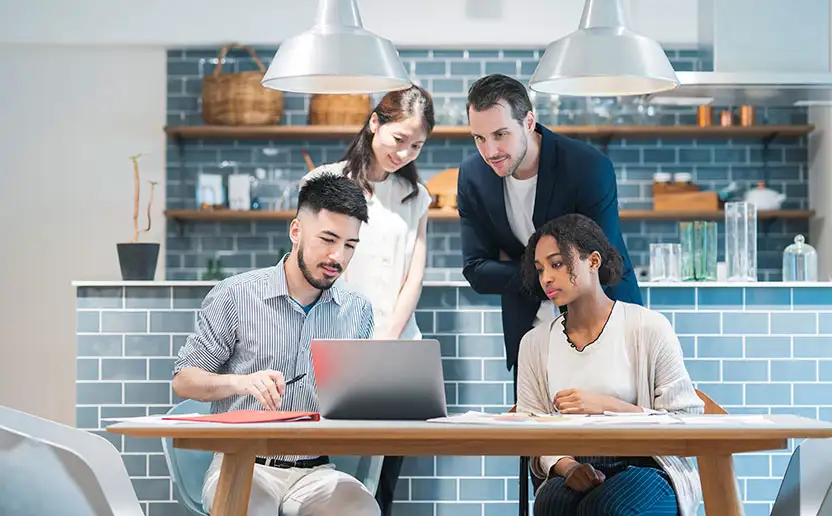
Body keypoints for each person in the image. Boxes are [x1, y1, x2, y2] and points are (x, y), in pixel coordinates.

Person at [171, 173, 380, 516]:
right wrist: (241, 382)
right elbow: (184, 380)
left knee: (360, 510)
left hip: (316, 472)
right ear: (296, 231)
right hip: (240, 464)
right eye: (328, 239)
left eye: (349, 245)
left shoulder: (358, 311)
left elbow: (356, 401)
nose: (337, 256)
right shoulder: (235, 295)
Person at [457, 73, 643, 393]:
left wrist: (514, 266)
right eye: (479, 138)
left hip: (604, 325)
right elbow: (477, 271)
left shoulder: (586, 167)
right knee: (532, 438)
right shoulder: (473, 176)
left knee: (608, 435)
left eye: (501, 134)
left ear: (529, 121)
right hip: (529, 335)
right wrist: (558, 267)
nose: (490, 150)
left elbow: (599, 264)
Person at [302, 84, 435, 516]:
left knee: (381, 483)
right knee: (325, 476)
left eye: (417, 145)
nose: (405, 153)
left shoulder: (417, 197)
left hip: (395, 349)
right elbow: (308, 266)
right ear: (375, 123)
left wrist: (386, 340)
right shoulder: (325, 182)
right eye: (399, 140)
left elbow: (413, 275)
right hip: (333, 346)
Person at [516, 213, 704, 516]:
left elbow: (686, 420)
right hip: (574, 465)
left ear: (593, 261)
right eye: (540, 269)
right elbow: (531, 431)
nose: (547, 278)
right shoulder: (534, 344)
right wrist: (568, 466)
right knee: (552, 503)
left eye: (557, 263)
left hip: (648, 466)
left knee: (606, 508)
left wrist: (609, 406)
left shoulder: (648, 327)